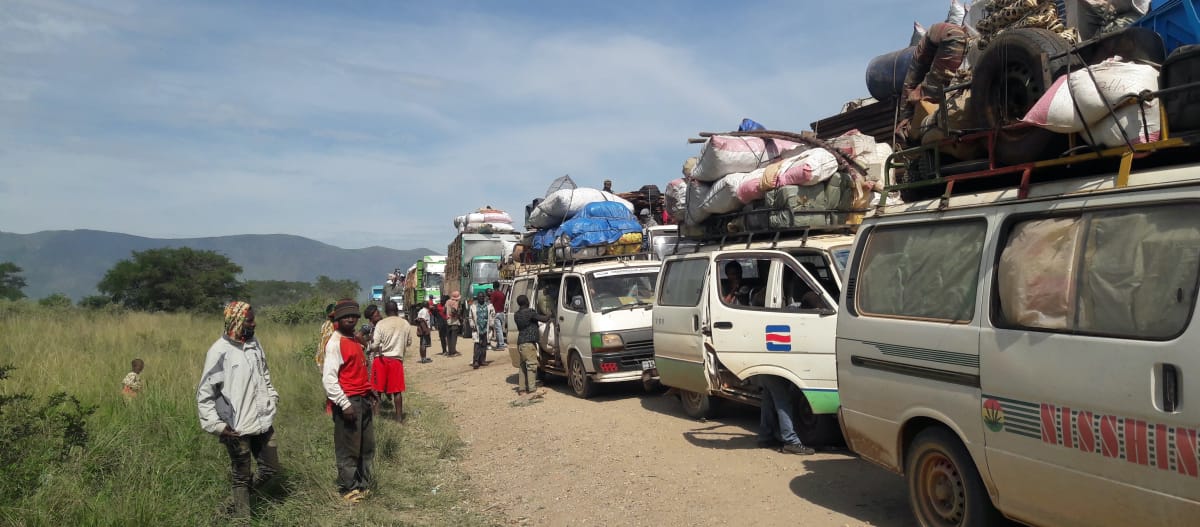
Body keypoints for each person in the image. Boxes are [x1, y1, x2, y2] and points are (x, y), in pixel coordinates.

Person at [196, 301, 281, 518]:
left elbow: (265, 375)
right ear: (236, 321)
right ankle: (243, 520)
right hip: (235, 427)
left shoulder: (254, 344)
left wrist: (272, 397)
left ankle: (226, 509)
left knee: (270, 469)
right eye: (250, 320)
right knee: (241, 477)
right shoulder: (219, 352)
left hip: (263, 421)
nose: (254, 323)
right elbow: (204, 394)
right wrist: (216, 425)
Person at [322, 298, 376, 504]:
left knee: (366, 446)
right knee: (348, 448)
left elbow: (358, 370)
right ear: (337, 319)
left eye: (354, 315)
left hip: (362, 399)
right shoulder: (335, 343)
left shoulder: (353, 339)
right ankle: (349, 489)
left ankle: (363, 484)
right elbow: (329, 379)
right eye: (346, 316)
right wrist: (344, 404)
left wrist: (370, 391)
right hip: (348, 402)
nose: (351, 319)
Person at [895, 22, 968, 142]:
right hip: (949, 36)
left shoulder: (917, 67)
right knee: (927, 92)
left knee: (926, 93)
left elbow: (912, 90)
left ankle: (907, 128)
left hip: (949, 35)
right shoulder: (916, 71)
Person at [369, 301, 416, 421]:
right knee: (397, 391)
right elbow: (409, 342)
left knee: (377, 391)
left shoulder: (381, 324)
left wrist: (369, 347)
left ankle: (376, 417)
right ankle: (399, 418)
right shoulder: (405, 324)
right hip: (396, 360)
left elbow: (375, 344)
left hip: (381, 360)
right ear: (397, 309)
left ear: (385, 311)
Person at [754, 376, 815, 455]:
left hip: (767, 368)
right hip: (776, 368)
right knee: (783, 401)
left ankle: (765, 437)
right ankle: (791, 441)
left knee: (769, 400)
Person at [512, 295, 551, 396]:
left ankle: (522, 389)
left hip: (520, 342)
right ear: (527, 302)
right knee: (531, 366)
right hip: (529, 343)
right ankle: (532, 389)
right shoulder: (529, 313)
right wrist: (551, 313)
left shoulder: (516, 314)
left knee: (522, 367)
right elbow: (544, 319)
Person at [467, 291, 496, 369]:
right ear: (477, 298)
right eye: (480, 297)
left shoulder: (489, 306)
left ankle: (482, 360)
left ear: (484, 298)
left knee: (484, 345)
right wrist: (472, 324)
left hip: (486, 328)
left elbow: (493, 315)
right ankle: (476, 361)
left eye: (482, 297)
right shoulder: (473, 306)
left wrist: (491, 324)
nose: (481, 298)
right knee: (477, 345)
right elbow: (470, 317)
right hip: (477, 328)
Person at [444, 291, 463, 357]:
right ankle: (453, 352)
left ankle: (450, 351)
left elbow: (444, 310)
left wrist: (447, 315)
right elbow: (453, 311)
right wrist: (457, 315)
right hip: (454, 322)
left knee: (449, 338)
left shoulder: (447, 301)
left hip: (448, 321)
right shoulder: (455, 302)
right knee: (454, 338)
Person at [489, 281, 507, 350]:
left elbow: (491, 303)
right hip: (502, 313)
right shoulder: (502, 293)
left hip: (496, 313)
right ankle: (499, 343)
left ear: (493, 286)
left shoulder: (494, 294)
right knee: (500, 330)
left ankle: (501, 345)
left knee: (498, 330)